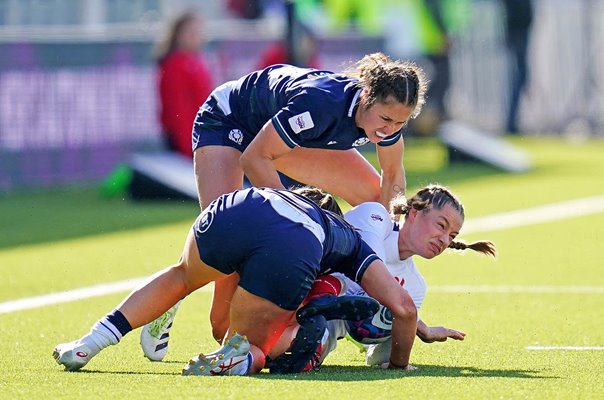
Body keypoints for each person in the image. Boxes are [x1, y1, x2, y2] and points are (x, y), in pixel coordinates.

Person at [53, 187, 419, 375]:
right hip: (295, 243)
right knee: (255, 348)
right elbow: (402, 308)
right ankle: (242, 358)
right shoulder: (349, 239)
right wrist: (400, 364)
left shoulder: (286, 201)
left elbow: (219, 320)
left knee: (181, 275)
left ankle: (90, 342)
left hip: (241, 205)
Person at [266, 184, 497, 373]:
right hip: (292, 290)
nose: (445, 239)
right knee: (272, 346)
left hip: (326, 326)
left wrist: (398, 358)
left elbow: (385, 352)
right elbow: (372, 273)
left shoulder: (416, 286)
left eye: (452, 236)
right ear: (414, 213)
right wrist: (417, 324)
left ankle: (308, 342)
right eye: (441, 225)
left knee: (303, 351)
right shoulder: (375, 218)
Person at [154, 10, 214, 157]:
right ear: (177, 35)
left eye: (198, 32)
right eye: (190, 32)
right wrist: (188, 145)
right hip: (184, 139)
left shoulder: (197, 61)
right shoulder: (174, 65)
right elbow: (177, 110)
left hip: (200, 135)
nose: (195, 37)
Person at [501, 0, 533, 134]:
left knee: (521, 77)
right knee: (519, 77)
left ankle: (513, 120)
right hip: (517, 32)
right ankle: (511, 121)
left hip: (519, 31)